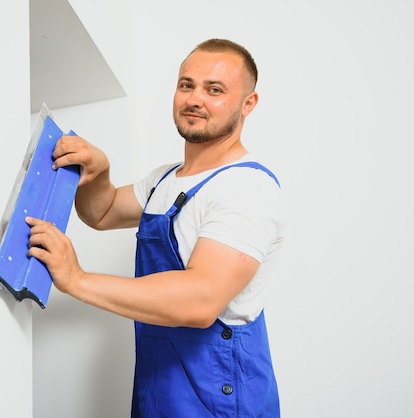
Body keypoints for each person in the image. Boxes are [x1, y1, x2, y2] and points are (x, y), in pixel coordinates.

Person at [26, 38, 286, 417]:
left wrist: (78, 279)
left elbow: (200, 300)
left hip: (218, 395)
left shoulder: (247, 189)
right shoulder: (165, 179)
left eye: (214, 90)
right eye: (187, 85)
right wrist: (99, 171)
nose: (195, 98)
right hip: (160, 384)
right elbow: (105, 211)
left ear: (249, 103)